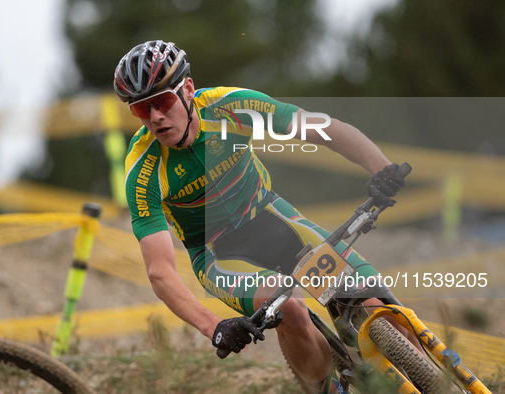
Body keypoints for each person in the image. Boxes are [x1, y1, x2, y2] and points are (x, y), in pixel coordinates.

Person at [115, 40, 405, 394]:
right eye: (142, 110)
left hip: (272, 218)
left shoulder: (230, 106)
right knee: (287, 307)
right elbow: (160, 272)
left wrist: (380, 168)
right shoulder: (142, 171)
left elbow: (320, 127)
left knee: (379, 309)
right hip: (218, 254)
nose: (155, 116)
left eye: (162, 101)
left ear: (188, 89)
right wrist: (214, 326)